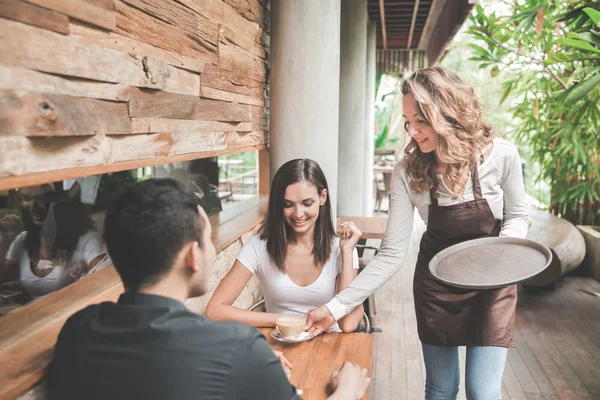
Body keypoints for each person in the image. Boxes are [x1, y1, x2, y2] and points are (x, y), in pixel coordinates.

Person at [305, 67, 530, 399]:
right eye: (407, 121)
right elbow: (392, 253)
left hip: (491, 283)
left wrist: (502, 251)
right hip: (438, 288)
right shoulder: (407, 172)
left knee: (483, 391)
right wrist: (335, 308)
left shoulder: (502, 156)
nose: (411, 131)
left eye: (420, 121)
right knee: (441, 389)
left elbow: (518, 215)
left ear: (446, 114)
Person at [48, 179, 370, 400]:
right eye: (208, 240)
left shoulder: (77, 331)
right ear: (192, 256)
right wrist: (347, 391)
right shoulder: (236, 348)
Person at [206, 159, 364, 333]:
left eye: (307, 203)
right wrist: (282, 320)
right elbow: (215, 310)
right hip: (281, 347)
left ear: (322, 197)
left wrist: (347, 253)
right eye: (288, 204)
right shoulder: (258, 247)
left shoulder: (342, 249)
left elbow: (348, 324)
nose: (298, 213)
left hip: (329, 346)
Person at [2, 184, 107, 299]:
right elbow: (4, 283)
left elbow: (105, 287)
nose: (34, 207)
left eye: (44, 199)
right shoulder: (22, 239)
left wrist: (83, 278)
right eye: (27, 199)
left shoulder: (88, 240)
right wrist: (5, 239)